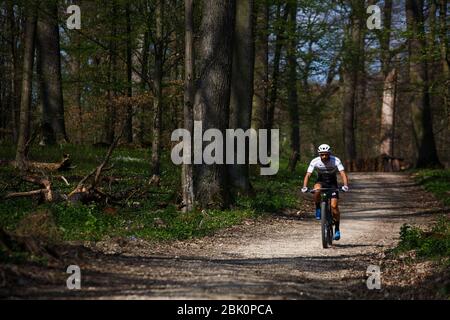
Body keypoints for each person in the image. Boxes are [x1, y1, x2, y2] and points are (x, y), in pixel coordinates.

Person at [301, 144, 349, 240]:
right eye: (322, 154)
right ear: (319, 154)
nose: (324, 156)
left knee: (334, 206)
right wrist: (304, 187)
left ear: (329, 154)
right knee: (317, 189)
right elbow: (308, 175)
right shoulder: (315, 161)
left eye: (326, 154)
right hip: (321, 181)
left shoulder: (336, 160)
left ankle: (337, 229)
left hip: (332, 183)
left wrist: (345, 185)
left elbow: (343, 173)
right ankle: (318, 208)